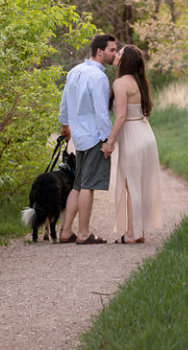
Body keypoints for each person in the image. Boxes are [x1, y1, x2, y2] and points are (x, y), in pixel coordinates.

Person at [58, 34, 117, 245]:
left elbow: (64, 101)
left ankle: (66, 231)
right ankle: (83, 233)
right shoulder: (99, 77)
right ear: (100, 51)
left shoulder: (74, 71)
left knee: (77, 184)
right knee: (87, 186)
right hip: (94, 137)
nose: (114, 54)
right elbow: (102, 113)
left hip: (80, 136)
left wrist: (65, 125)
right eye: (112, 50)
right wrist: (108, 140)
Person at [102, 45, 162, 244]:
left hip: (133, 137)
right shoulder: (139, 81)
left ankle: (131, 234)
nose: (116, 55)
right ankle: (138, 231)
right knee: (139, 185)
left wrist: (109, 143)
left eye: (119, 53)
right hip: (145, 133)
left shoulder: (120, 84)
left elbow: (120, 118)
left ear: (125, 60)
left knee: (131, 185)